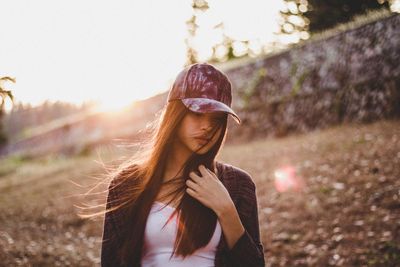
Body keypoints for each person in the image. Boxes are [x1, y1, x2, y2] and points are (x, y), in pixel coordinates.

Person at [100, 63, 265, 267]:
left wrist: (227, 211)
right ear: (175, 114)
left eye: (217, 119)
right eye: (197, 114)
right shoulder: (126, 184)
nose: (207, 126)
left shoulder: (238, 185)